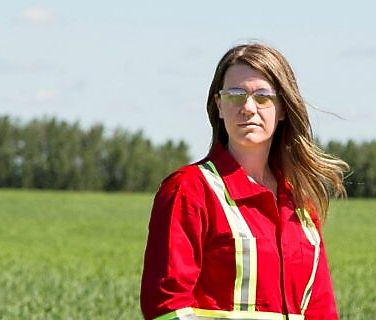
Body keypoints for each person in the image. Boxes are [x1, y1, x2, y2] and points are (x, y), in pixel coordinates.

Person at [140, 42, 348, 320]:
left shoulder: (301, 202)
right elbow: (165, 308)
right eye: (236, 95)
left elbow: (322, 312)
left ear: (283, 108)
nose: (248, 107)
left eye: (262, 96)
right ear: (219, 106)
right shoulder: (189, 190)